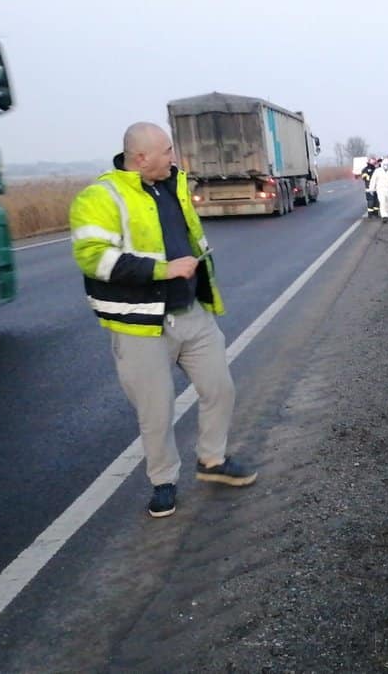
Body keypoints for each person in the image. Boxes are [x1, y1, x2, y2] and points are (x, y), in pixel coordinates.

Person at [69, 122, 257, 518]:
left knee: (220, 388)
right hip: (142, 325)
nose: (174, 158)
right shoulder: (101, 198)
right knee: (156, 412)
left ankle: (212, 460)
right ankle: (163, 482)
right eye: (167, 151)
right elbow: (93, 257)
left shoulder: (174, 184)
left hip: (192, 314)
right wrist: (162, 270)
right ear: (141, 158)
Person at [369, 155, 388, 221]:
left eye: (387, 165)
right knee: (383, 202)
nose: (385, 166)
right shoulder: (378, 171)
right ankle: (384, 216)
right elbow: (373, 180)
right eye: (384, 165)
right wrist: (371, 189)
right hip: (381, 190)